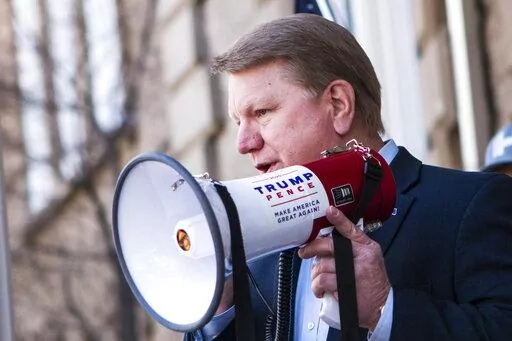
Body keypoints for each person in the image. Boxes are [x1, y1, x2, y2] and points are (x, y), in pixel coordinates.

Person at [184, 13, 512, 341]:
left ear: (339, 105)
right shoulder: (257, 254)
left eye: (262, 113)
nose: (244, 144)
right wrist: (216, 315)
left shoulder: (472, 205)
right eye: (237, 122)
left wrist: (387, 310)